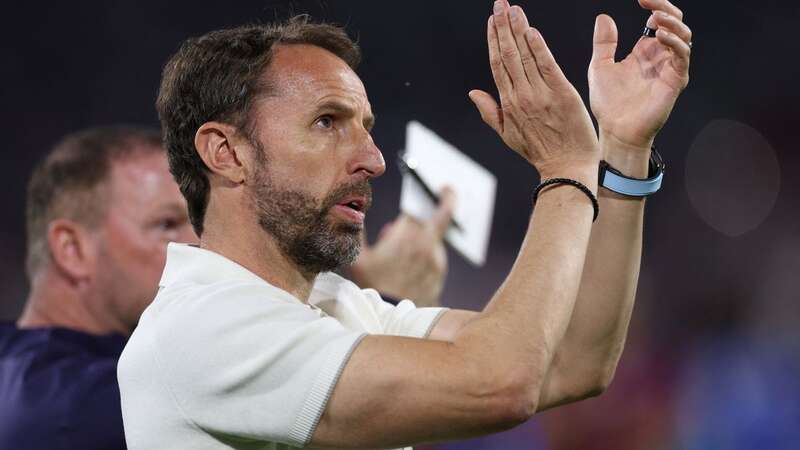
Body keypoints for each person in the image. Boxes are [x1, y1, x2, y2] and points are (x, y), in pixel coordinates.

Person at [118, 1, 691, 449]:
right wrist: (567, 171)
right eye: (326, 122)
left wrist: (621, 148)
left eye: (365, 126)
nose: (373, 158)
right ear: (226, 152)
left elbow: (572, 362)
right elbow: (500, 382)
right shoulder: (204, 327)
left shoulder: (337, 308)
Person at [0, 126, 451, 450]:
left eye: (196, 221)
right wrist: (388, 302)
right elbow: (387, 412)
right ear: (72, 248)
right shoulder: (75, 402)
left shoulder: (27, 370)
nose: (198, 243)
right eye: (165, 224)